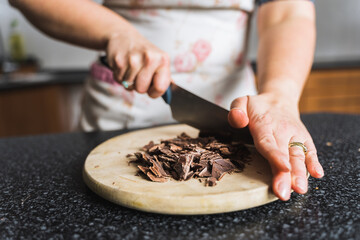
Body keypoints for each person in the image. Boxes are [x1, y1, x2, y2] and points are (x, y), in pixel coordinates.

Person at [10, 0, 324, 201]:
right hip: (120, 107)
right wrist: (116, 32)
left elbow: (287, 11)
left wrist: (281, 95)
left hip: (233, 110)